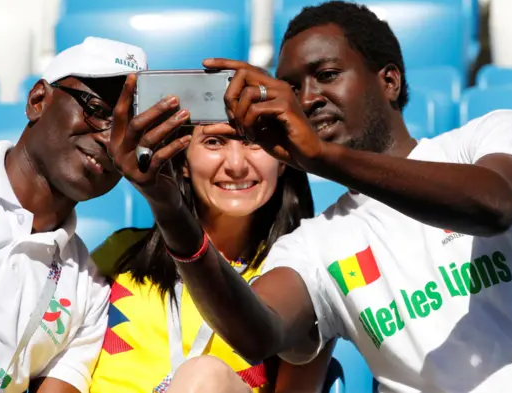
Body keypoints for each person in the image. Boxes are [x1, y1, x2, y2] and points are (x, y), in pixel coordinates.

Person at [105, 0, 512, 392]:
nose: (307, 99)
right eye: (291, 87)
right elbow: (256, 333)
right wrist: (168, 207)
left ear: (390, 81)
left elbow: (495, 206)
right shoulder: (315, 243)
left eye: (326, 74)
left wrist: (321, 156)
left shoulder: (490, 136)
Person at [0, 37, 149, 393]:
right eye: (97, 109)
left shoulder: (89, 293)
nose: (110, 140)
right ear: (38, 101)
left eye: (128, 130)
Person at [88, 121, 335, 393]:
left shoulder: (297, 278)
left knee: (205, 376)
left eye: (253, 140)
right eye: (214, 142)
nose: (236, 164)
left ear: (282, 159)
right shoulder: (119, 254)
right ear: (182, 160)